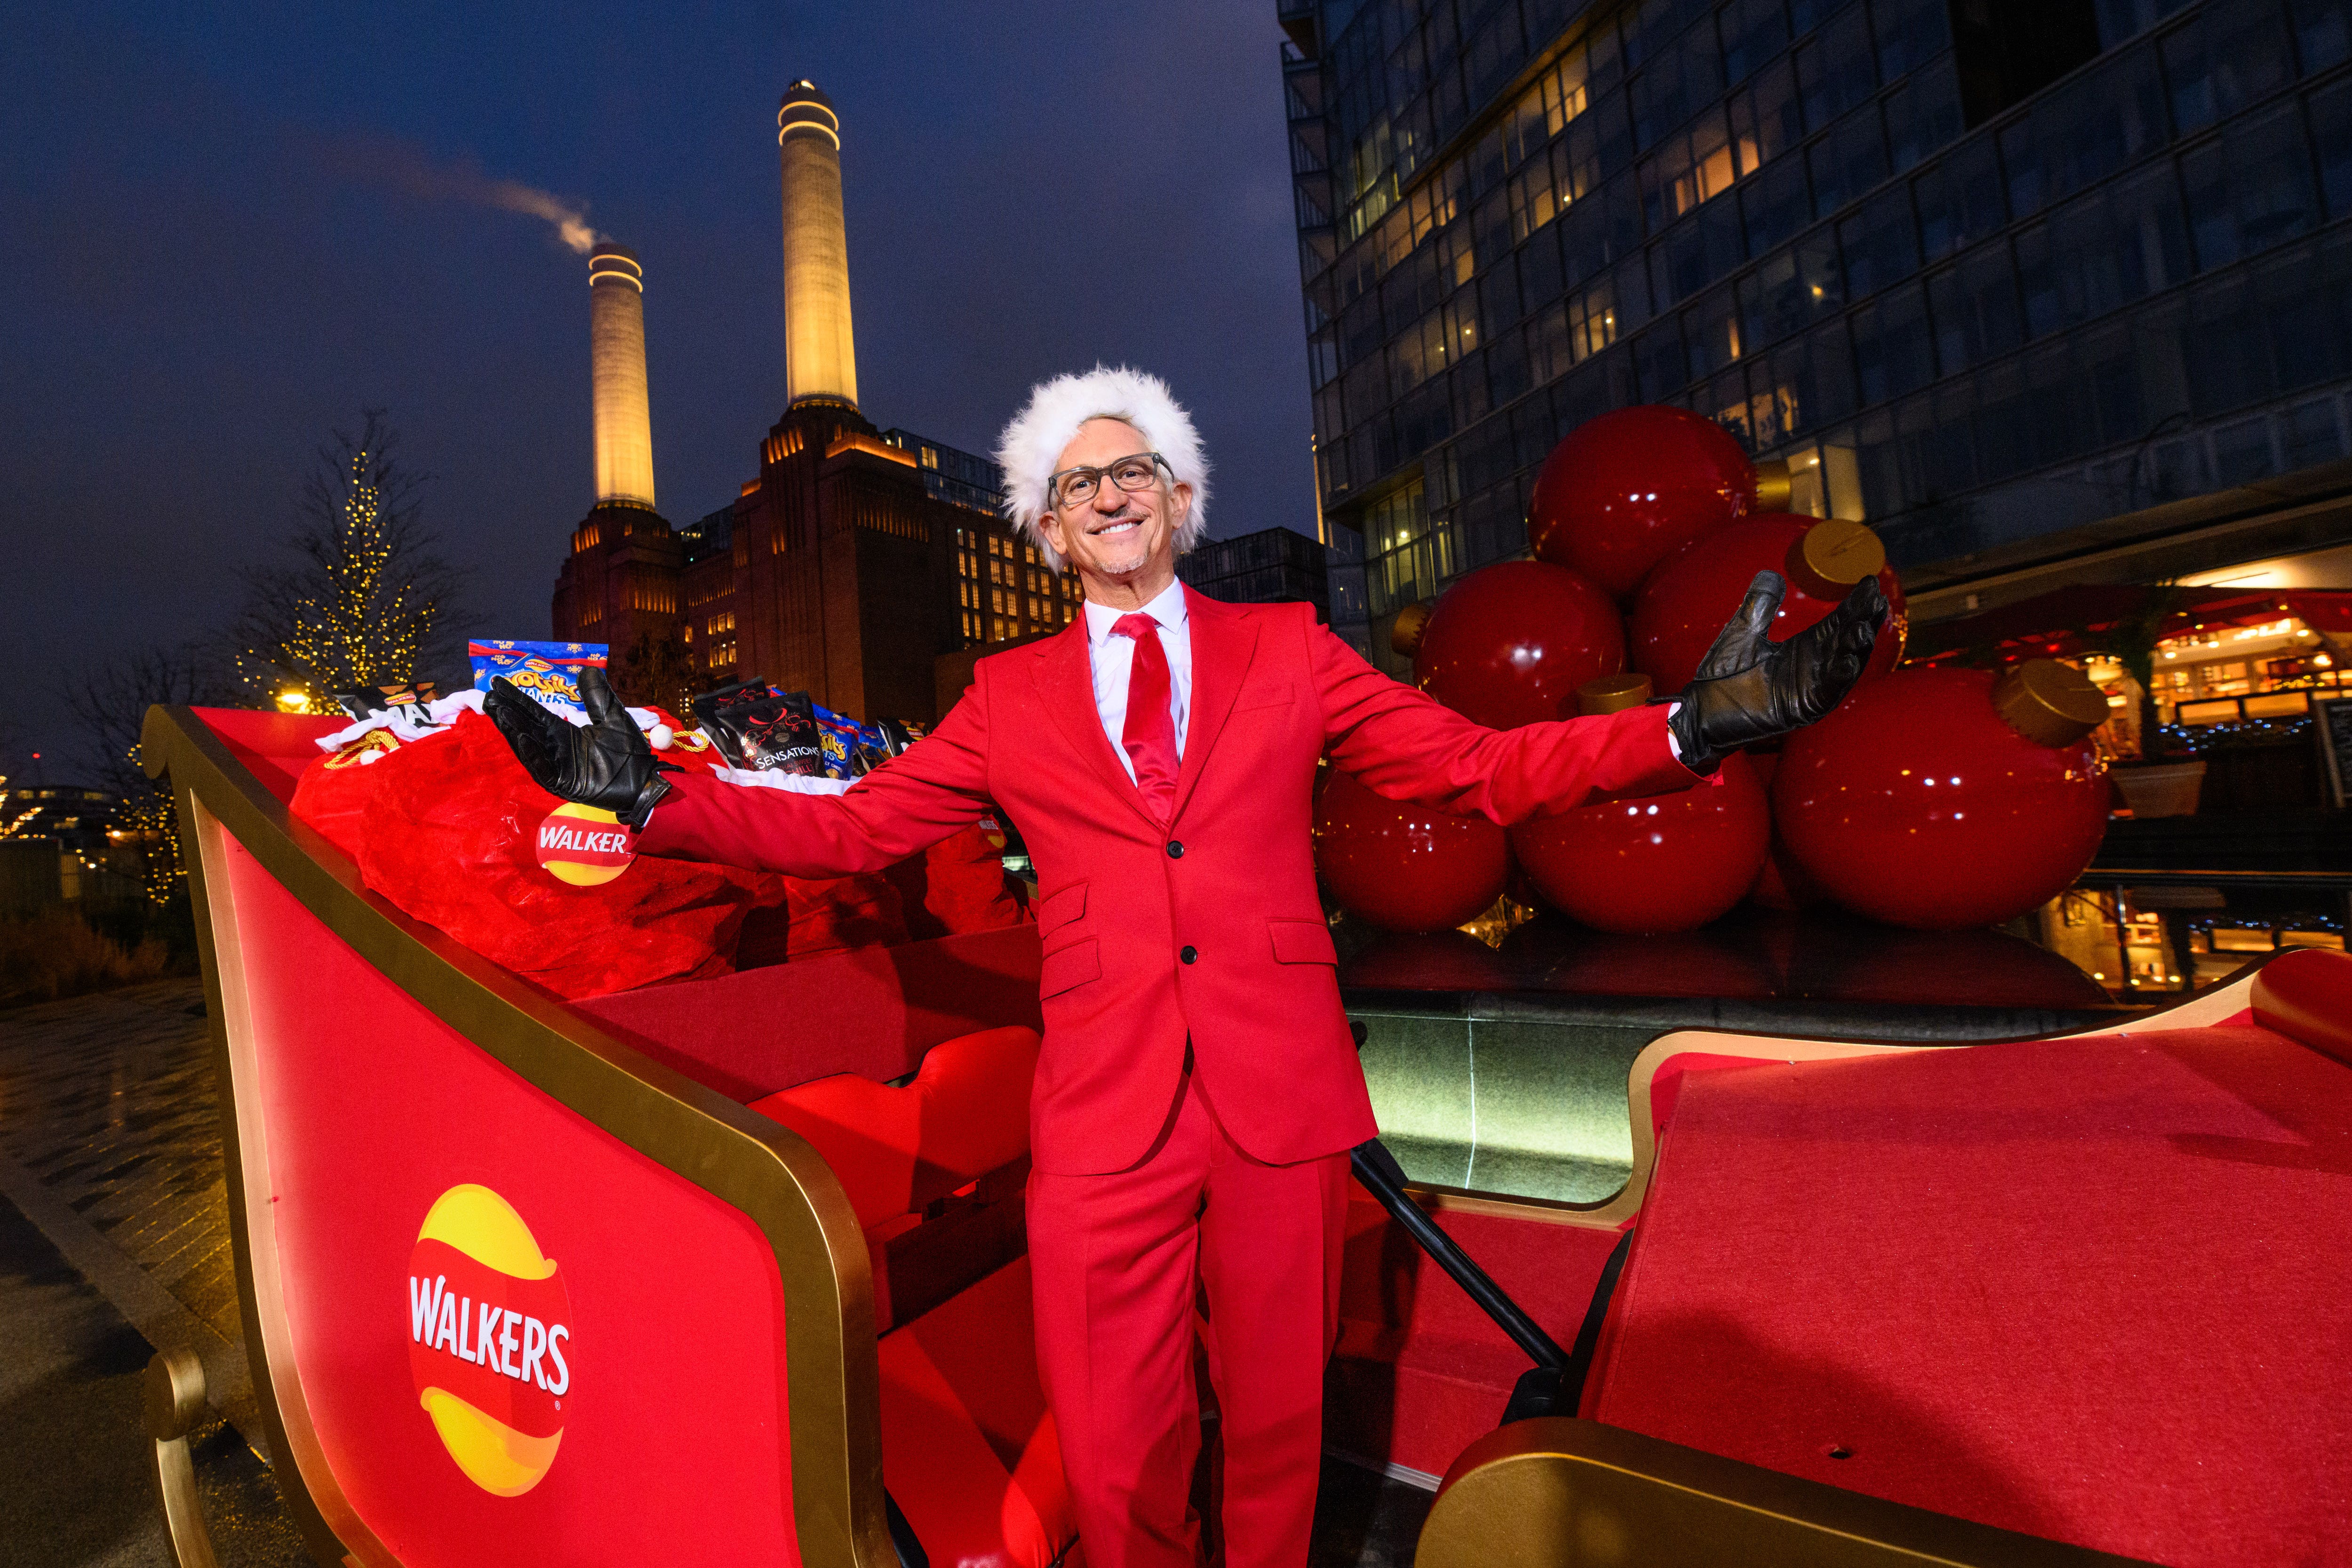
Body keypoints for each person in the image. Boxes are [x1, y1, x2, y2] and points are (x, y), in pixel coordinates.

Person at [487, 365, 1884, 1568]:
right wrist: (657, 796)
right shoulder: (1003, 698)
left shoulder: (1288, 649)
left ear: (1178, 493)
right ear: (1044, 524)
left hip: (1280, 1107)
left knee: (1280, 1429)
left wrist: (1689, 731)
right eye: (1078, 480)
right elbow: (858, 830)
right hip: (1105, 1117)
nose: (1109, 493)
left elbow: (1474, 767)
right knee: (1114, 1447)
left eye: (1134, 467)